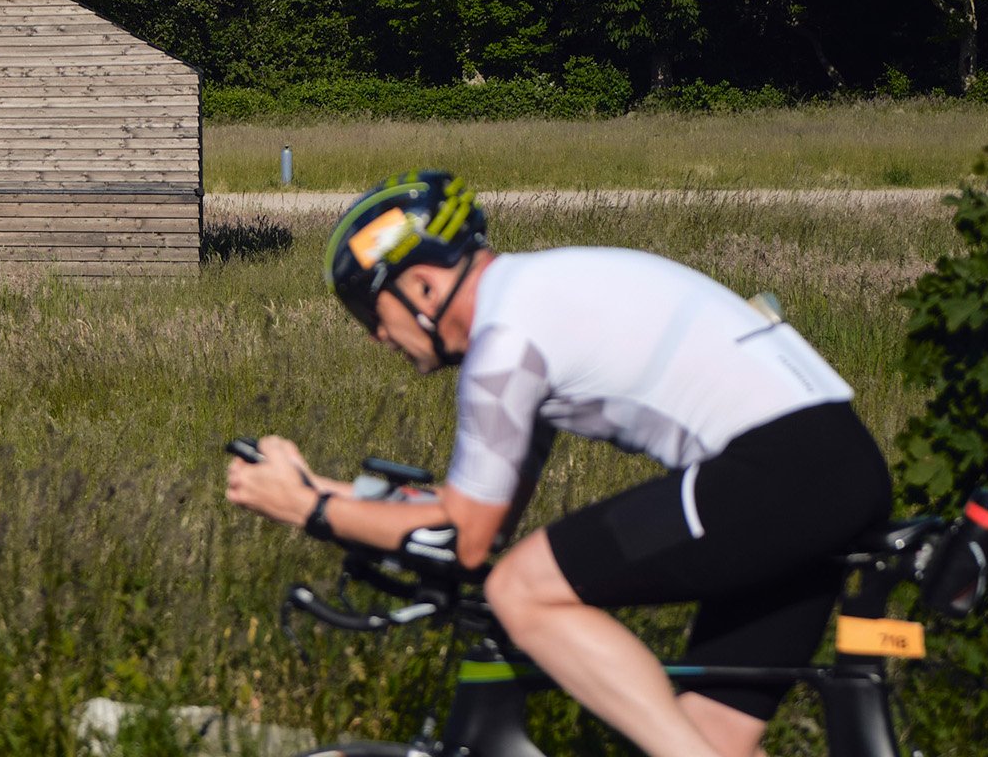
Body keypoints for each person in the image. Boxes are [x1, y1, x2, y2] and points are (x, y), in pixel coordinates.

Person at [225, 171, 891, 757]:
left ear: (422, 284)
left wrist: (308, 510)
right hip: (825, 465)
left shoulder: (506, 344)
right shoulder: (539, 296)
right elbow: (476, 517)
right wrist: (323, 490)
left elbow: (473, 543)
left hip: (776, 470)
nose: (376, 335)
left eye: (373, 311)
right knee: (711, 734)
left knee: (520, 589)